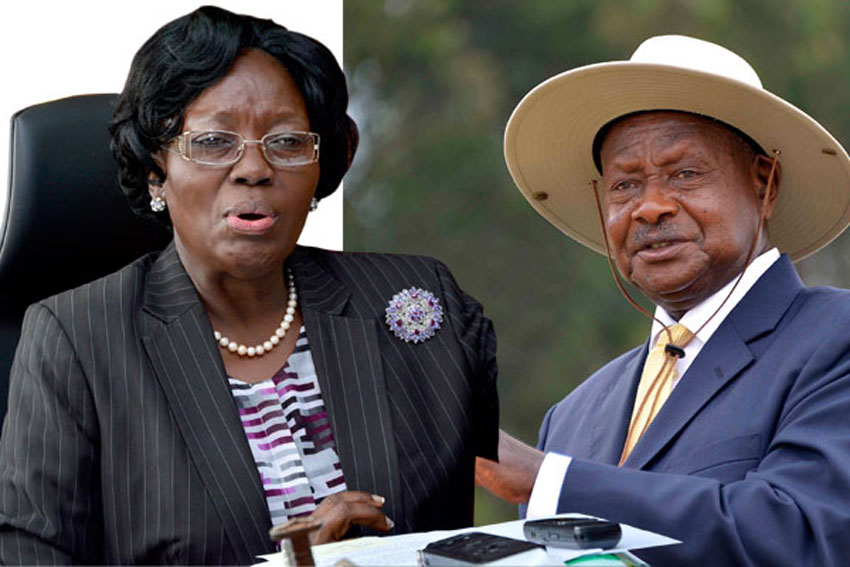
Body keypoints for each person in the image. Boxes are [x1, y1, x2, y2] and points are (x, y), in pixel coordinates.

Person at [0, 7, 498, 565]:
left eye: (286, 143)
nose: (254, 168)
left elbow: (517, 498)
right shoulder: (76, 340)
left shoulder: (416, 299)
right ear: (155, 168)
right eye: (214, 142)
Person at [476, 35, 850, 565]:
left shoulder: (835, 338)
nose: (649, 207)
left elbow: (802, 534)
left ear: (764, 183)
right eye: (625, 186)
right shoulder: (574, 414)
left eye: (685, 174)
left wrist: (546, 478)